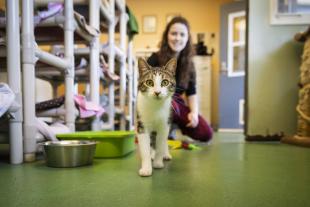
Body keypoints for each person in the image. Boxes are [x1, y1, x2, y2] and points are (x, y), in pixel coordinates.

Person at [147, 16, 213, 142]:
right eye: (173, 33)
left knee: (206, 133)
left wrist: (194, 113)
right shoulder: (155, 59)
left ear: (187, 38)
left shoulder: (189, 64)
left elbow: (191, 92)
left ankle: (172, 126)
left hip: (177, 107)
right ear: (167, 36)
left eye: (182, 34)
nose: (177, 38)